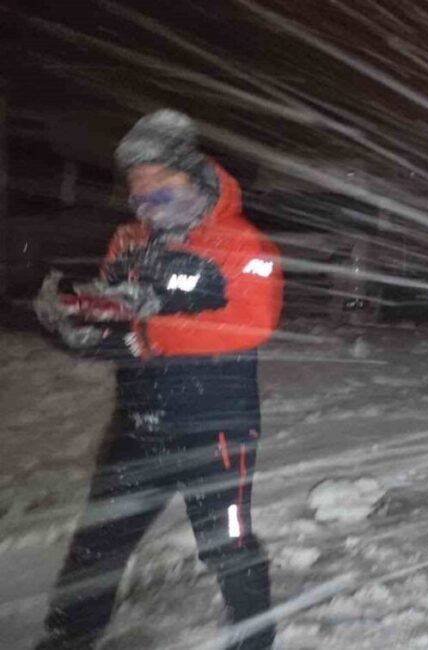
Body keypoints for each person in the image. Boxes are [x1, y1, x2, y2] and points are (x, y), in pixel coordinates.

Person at [33, 109, 284, 650]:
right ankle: (67, 639)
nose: (145, 191)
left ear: (190, 174)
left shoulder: (241, 243)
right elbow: (116, 314)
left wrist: (149, 331)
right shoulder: (130, 239)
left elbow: (252, 324)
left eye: (157, 177)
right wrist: (75, 322)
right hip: (140, 422)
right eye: (136, 181)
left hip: (216, 422)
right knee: (99, 540)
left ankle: (253, 639)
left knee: (227, 542)